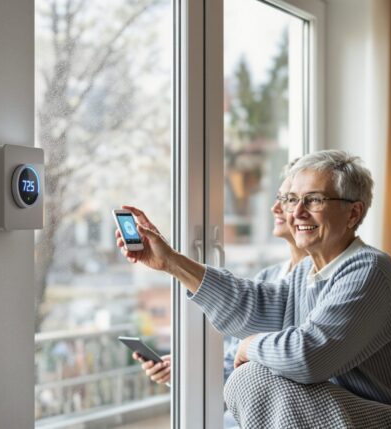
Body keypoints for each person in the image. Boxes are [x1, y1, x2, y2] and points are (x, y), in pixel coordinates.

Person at [117, 150, 391, 428]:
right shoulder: (306, 271)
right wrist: (171, 262)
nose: (297, 212)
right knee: (250, 379)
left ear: (353, 213)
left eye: (313, 200)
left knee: (253, 380)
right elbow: (252, 305)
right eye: (291, 200)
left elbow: (309, 355)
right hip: (347, 416)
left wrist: (249, 346)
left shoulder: (370, 270)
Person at [132, 168, 308, 428]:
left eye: (289, 200)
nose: (276, 208)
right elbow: (230, 363)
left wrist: (250, 348)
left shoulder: (328, 283)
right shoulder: (266, 277)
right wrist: (181, 371)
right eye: (280, 198)